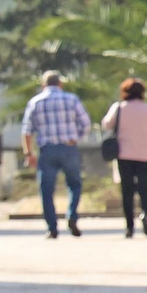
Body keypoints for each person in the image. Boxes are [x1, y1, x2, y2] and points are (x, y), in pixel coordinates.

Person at [22, 71, 92, 239]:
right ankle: (72, 215)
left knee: (46, 190)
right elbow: (86, 123)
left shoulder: (35, 102)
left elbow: (27, 130)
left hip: (48, 150)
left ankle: (52, 228)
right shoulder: (71, 99)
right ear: (60, 84)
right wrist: (76, 138)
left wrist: (28, 153)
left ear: (43, 85)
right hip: (69, 148)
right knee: (74, 185)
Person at [100, 78, 147, 238]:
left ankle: (129, 226)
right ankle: (145, 214)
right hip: (146, 154)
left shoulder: (119, 108)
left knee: (127, 190)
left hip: (124, 154)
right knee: (145, 188)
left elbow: (106, 124)